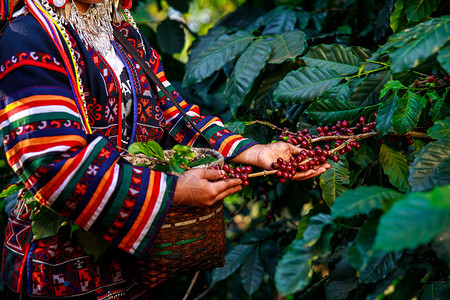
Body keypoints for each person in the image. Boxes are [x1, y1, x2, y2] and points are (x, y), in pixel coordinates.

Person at [0, 0, 330, 298]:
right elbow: (51, 163)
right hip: (59, 270)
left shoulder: (120, 28)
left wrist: (254, 152)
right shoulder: (27, 36)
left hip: (133, 269)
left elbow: (172, 111)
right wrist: (174, 192)